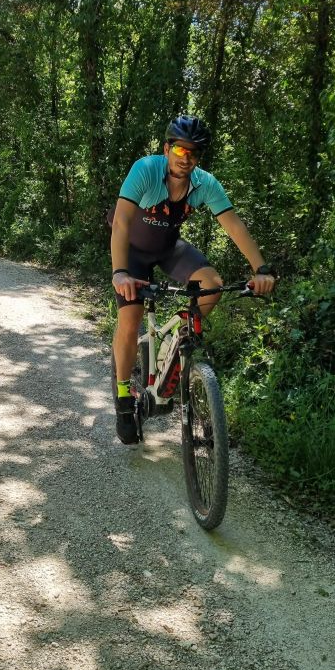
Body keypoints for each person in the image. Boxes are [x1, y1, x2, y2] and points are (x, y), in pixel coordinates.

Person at [110, 114, 275, 444]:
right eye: (180, 151)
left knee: (211, 285)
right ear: (167, 149)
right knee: (130, 319)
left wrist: (261, 269)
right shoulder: (145, 170)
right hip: (133, 253)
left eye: (194, 153)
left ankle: (174, 345)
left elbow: (234, 225)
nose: (186, 159)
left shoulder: (205, 184)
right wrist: (120, 272)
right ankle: (124, 395)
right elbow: (121, 222)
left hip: (169, 249)